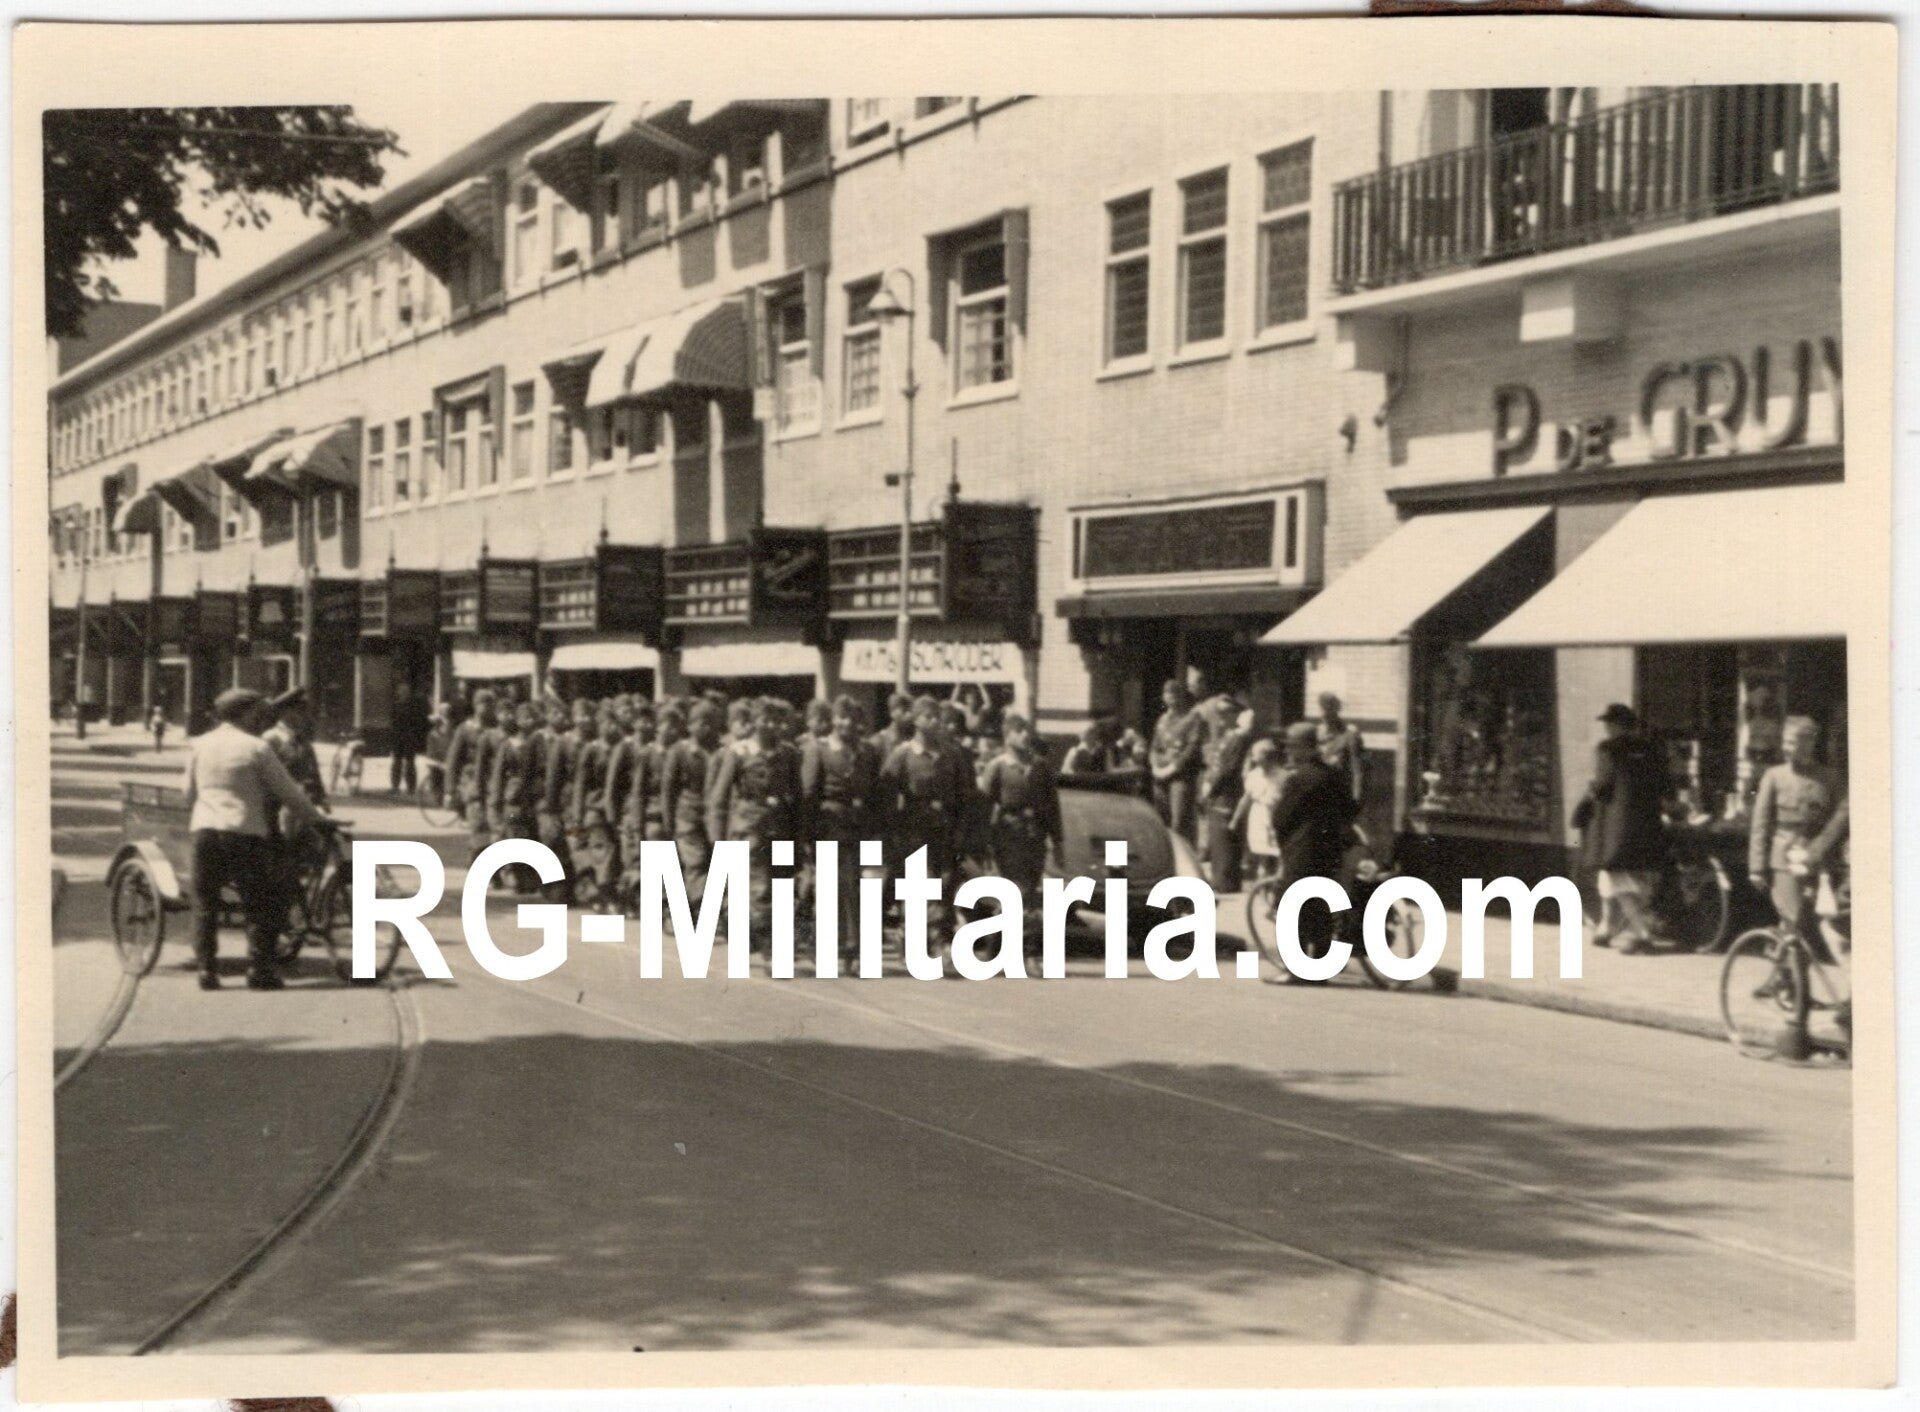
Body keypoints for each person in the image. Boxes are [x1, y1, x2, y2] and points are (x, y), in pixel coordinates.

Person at [181, 688, 329, 990]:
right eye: (255, 712)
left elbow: (188, 794)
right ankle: (260, 970)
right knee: (261, 902)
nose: (260, 716)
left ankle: (207, 970)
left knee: (205, 904)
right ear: (245, 714)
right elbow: (288, 792)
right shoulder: (257, 748)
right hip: (245, 833)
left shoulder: (199, 744)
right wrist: (318, 820)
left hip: (205, 833)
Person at [706, 697, 804, 966]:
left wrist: (801, 835)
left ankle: (753, 935)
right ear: (753, 722)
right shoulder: (738, 753)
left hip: (781, 829)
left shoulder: (788, 754)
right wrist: (717, 837)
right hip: (748, 829)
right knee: (759, 888)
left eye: (776, 720)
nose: (770, 725)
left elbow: (798, 796)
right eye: (765, 719)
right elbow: (720, 797)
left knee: (782, 886)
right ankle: (772, 946)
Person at [1573, 703, 1670, 954]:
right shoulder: (1651, 748)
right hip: (1647, 825)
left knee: (1618, 879)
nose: (1606, 727)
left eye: (1609, 723)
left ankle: (1642, 933)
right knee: (1614, 876)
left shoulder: (1608, 749)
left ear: (1617, 725)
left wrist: (1590, 790)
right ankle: (1605, 928)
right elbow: (1664, 784)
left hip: (1616, 828)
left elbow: (1604, 785)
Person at [880, 696, 972, 948]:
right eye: (927, 716)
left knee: (943, 883)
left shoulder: (951, 756)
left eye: (936, 716)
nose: (933, 721)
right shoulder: (903, 754)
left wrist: (961, 830)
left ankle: (932, 938)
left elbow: (965, 795)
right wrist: (894, 830)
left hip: (944, 828)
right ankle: (919, 939)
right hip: (914, 829)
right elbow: (887, 793)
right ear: (916, 720)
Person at [1265, 721, 1357, 970]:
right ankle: (1321, 967)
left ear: (1305, 749)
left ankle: (1296, 969)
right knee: (1321, 906)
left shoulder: (1300, 779)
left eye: (1292, 748)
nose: (1289, 753)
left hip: (1302, 850)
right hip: (1330, 850)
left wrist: (1281, 835)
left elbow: (1281, 817)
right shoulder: (1334, 775)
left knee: (1293, 906)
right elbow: (1351, 809)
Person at [1748, 715, 1838, 947]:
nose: (1786, 748)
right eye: (1785, 742)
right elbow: (1761, 824)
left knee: (1813, 926)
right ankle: (1795, 977)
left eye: (1793, 742)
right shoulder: (1774, 776)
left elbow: (1840, 819)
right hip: (1784, 861)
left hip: (1819, 860)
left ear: (1809, 743)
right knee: (1793, 924)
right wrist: (1757, 867)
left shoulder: (1829, 778)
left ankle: (1783, 975)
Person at [801, 695, 878, 966]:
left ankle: (852, 946)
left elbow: (875, 792)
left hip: (858, 825)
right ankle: (833, 943)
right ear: (833, 719)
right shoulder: (818, 750)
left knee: (855, 886)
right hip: (827, 824)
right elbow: (809, 793)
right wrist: (807, 834)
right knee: (830, 886)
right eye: (842, 717)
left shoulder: (866, 752)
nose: (847, 724)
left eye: (852, 719)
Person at [980, 712, 1061, 924]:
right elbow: (983, 805)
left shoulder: (1040, 767)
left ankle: (1017, 946)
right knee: (1015, 889)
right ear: (1007, 736)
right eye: (1019, 731)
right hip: (1008, 835)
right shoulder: (998, 766)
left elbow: (1052, 806)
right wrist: (983, 841)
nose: (1025, 735)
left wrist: (1057, 839)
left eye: (1027, 730)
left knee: (1030, 890)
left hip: (1034, 835)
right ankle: (1012, 945)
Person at [664, 699, 723, 903]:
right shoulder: (679, 752)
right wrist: (668, 820)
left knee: (715, 863)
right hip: (688, 814)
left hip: (715, 816)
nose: (706, 727)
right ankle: (701, 906)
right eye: (700, 722)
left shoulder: (722, 751)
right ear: (689, 725)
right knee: (695, 862)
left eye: (711, 722)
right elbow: (669, 789)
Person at [1200, 702, 1255, 892]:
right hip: (1219, 793)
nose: (1222, 717)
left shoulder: (1236, 738)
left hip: (1226, 793)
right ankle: (1220, 879)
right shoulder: (1226, 736)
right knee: (1218, 837)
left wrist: (1210, 787)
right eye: (1219, 713)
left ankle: (1225, 882)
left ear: (1235, 715)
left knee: (1225, 838)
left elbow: (1227, 769)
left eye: (1226, 713)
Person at [443, 689, 498, 867]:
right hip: (472, 781)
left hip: (493, 780)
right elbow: (452, 761)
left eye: (490, 704)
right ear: (475, 706)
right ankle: (477, 860)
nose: (487, 708)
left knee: (495, 824)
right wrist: (450, 790)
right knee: (478, 823)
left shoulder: (497, 728)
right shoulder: (465, 729)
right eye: (483, 704)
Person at [1149, 679, 1204, 841]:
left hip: (1180, 775)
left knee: (1179, 821)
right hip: (1160, 775)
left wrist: (1172, 768)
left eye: (1174, 694)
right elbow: (1155, 746)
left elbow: (1192, 748)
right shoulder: (1162, 720)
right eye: (1167, 694)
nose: (1170, 698)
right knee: (1161, 819)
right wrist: (1154, 766)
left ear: (1182, 696)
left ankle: (1183, 858)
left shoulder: (1193, 718)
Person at [1231, 737, 1285, 882]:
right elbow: (1246, 799)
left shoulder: (1282, 776)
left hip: (1276, 814)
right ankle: (1262, 885)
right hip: (1259, 815)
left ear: (1268, 757)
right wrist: (1235, 819)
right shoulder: (1253, 775)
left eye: (1257, 755)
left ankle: (1279, 882)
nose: (1254, 759)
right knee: (1262, 853)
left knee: (1279, 851)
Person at [1314, 693, 1367, 808]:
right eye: (1322, 709)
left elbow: (1357, 772)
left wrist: (1356, 801)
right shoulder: (1316, 734)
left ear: (1336, 710)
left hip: (1339, 797)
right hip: (1317, 797)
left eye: (1329, 709)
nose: (1324, 714)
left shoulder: (1349, 735)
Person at [390, 687, 430, 796]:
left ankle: (410, 787)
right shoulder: (397, 705)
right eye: (401, 692)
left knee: (409, 762)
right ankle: (396, 786)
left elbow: (417, 722)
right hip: (400, 737)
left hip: (407, 737)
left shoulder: (411, 707)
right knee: (398, 762)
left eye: (404, 693)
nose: (402, 694)